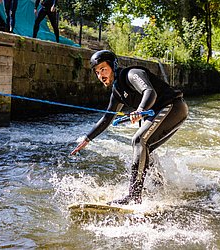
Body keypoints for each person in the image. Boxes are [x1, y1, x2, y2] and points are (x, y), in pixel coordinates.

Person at [70, 50, 188, 205]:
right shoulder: (117, 91)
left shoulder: (131, 74)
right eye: (97, 72)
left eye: (103, 69)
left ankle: (134, 196)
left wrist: (140, 110)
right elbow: (107, 118)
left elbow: (149, 92)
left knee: (139, 140)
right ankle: (162, 190)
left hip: (173, 107)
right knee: (145, 151)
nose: (101, 76)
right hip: (162, 112)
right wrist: (87, 139)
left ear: (113, 66)